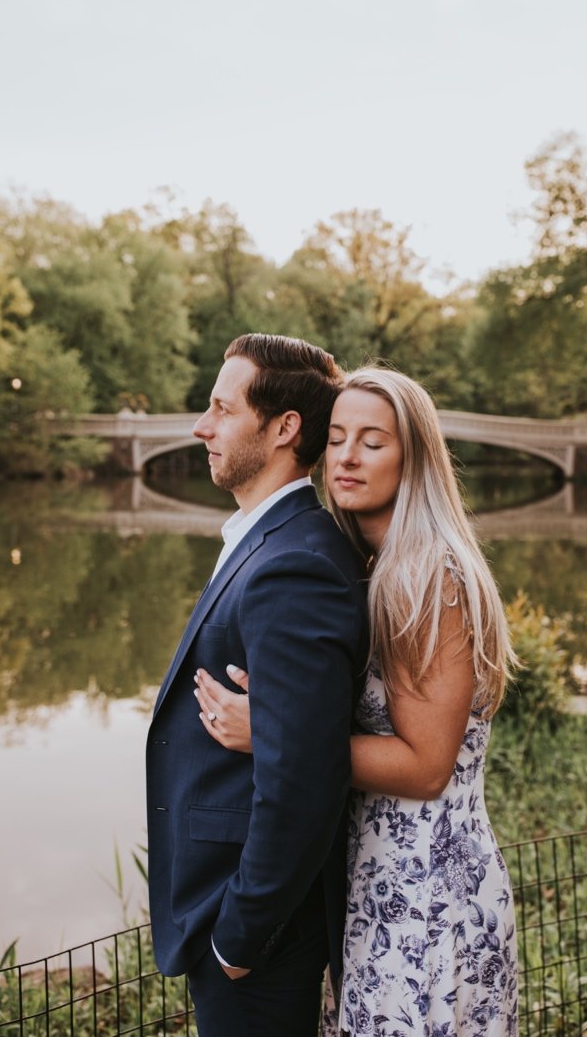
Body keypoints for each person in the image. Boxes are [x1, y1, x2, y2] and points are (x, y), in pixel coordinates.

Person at [195, 365, 520, 1037]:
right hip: (377, 876)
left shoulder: (426, 577)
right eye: (337, 436)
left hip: (426, 883)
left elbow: (427, 766)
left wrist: (274, 736)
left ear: (415, 458)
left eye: (373, 442)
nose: (345, 456)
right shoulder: (366, 563)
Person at [146, 334, 369, 1037]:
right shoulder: (265, 540)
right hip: (225, 910)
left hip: (254, 933)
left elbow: (302, 777)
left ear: (283, 429)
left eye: (221, 408)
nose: (200, 426)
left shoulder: (294, 564)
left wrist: (239, 939)